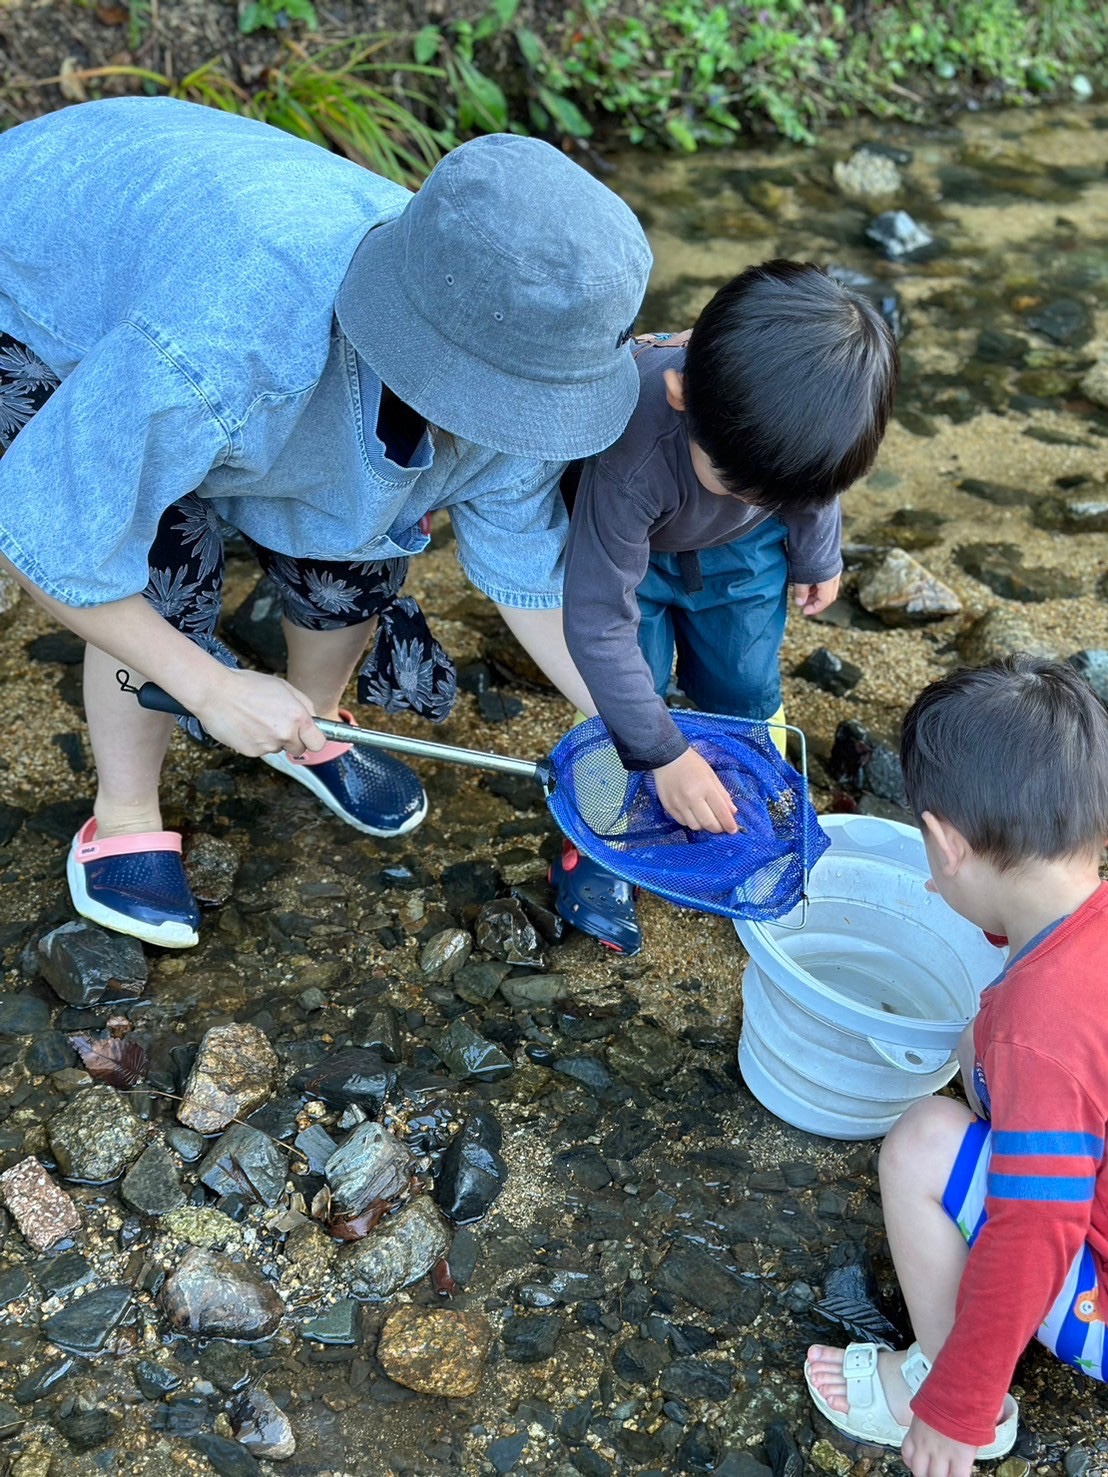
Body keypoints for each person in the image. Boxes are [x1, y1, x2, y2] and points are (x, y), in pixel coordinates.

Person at [0, 97, 651, 948]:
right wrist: (210, 688)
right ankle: (122, 812)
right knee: (163, 555)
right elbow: (55, 540)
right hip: (43, 271)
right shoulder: (226, 342)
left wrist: (648, 734)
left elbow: (530, 571)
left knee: (365, 550)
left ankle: (307, 720)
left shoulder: (527, 338)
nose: (515, 425)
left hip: (197, 260)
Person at [805, 655, 1108, 1477]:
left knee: (921, 1138)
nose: (933, 890)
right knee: (983, 1036)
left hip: (1096, 1299)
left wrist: (958, 1410)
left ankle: (930, 1377)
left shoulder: (1041, 1030)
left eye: (933, 870)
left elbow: (1035, 1225)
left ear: (945, 843)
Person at [554, 261, 898, 952]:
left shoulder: (795, 438)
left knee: (742, 680)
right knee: (630, 687)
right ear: (681, 395)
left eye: (768, 489)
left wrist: (816, 555)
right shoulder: (633, 447)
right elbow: (596, 619)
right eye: (735, 481)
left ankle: (748, 797)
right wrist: (662, 752)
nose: (748, 492)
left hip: (742, 555)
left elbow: (811, 489)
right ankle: (597, 842)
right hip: (636, 558)